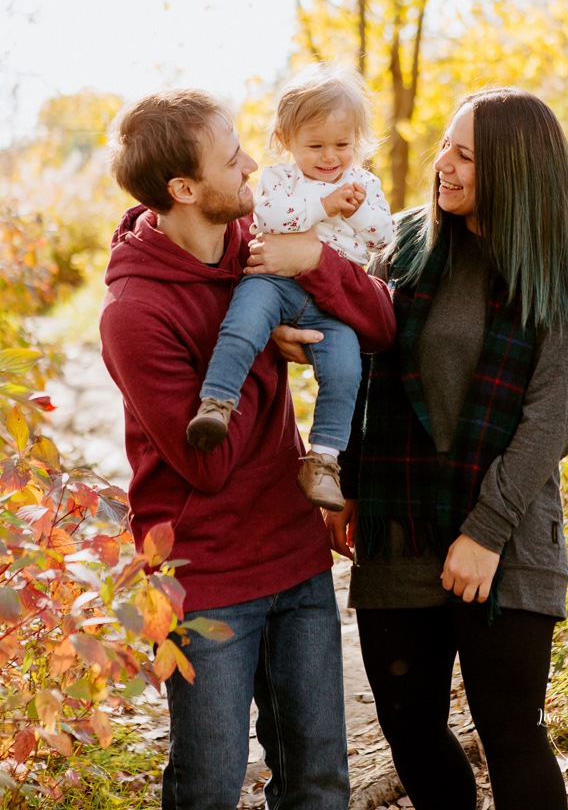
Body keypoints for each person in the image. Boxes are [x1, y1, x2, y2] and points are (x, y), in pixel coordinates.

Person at [99, 88, 395, 810]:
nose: (255, 165)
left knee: (318, 783)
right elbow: (208, 461)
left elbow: (379, 325)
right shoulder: (137, 312)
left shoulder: (254, 243)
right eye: (234, 159)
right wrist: (261, 339)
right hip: (206, 583)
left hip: (293, 558)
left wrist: (314, 263)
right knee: (208, 787)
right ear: (184, 189)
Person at [326, 87, 568, 810]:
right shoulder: (399, 245)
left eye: (464, 155)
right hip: (403, 520)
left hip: (507, 534)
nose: (441, 165)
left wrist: (484, 532)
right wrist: (346, 478)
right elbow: (359, 367)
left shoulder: (560, 274)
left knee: (511, 730)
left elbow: (553, 422)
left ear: (516, 171)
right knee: (409, 726)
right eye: (443, 146)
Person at [186, 65, 395, 513]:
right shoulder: (280, 179)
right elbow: (272, 218)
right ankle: (217, 402)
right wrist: (324, 204)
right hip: (274, 282)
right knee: (242, 324)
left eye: (342, 145)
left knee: (344, 371)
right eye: (315, 145)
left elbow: (380, 237)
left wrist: (354, 210)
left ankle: (322, 460)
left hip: (331, 306)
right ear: (286, 140)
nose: (329, 157)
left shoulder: (365, 184)